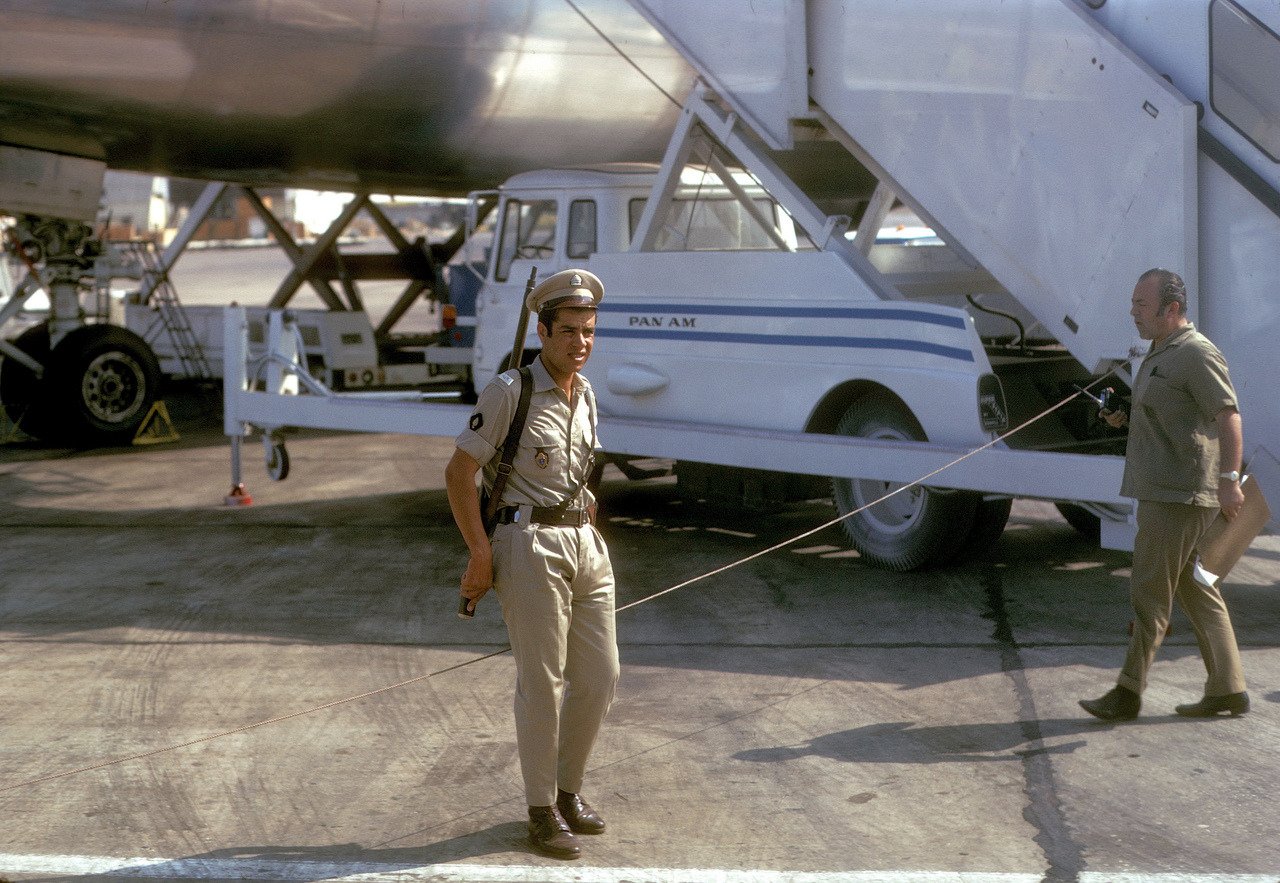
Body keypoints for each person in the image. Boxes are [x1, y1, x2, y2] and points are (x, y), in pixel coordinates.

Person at [444, 268, 619, 859]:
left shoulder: (587, 393)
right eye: (568, 331)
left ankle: (569, 792)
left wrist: (587, 520)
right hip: (529, 545)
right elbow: (460, 472)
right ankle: (541, 810)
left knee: (600, 675)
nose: (580, 343)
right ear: (542, 331)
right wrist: (479, 552)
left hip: (584, 543)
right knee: (541, 682)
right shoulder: (510, 391)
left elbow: (576, 472)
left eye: (589, 332)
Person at [1080, 268, 1249, 722]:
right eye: (1133, 302)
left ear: (1170, 309)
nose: (1132, 312)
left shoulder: (1195, 353)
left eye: (1141, 304)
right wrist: (1124, 417)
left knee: (1150, 592)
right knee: (1195, 587)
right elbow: (1167, 417)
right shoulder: (1160, 351)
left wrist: (1230, 478)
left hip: (1179, 493)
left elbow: (1228, 416)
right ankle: (1228, 688)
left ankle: (1128, 692)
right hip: (1165, 486)